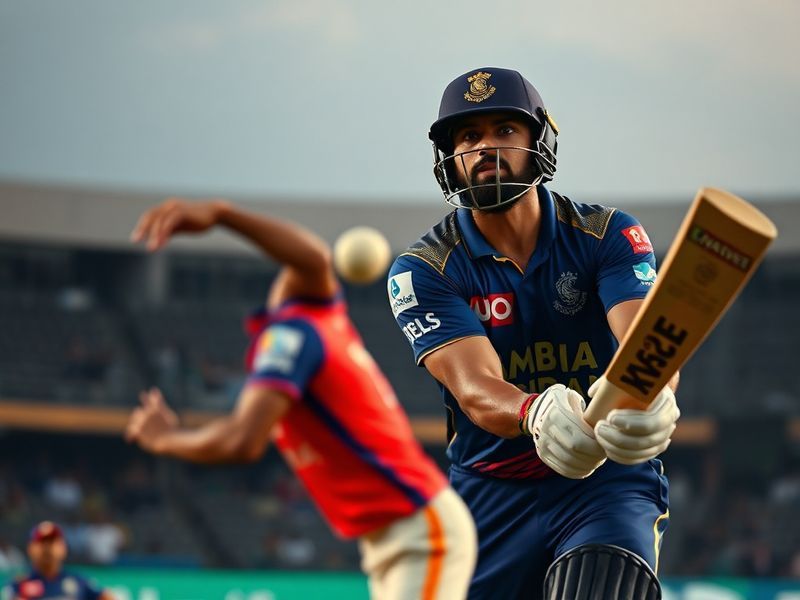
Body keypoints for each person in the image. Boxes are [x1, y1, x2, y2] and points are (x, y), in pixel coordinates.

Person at [387, 67, 681, 599]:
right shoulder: (425, 268)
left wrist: (655, 391)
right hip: (489, 492)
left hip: (602, 479)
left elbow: (642, 339)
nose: (485, 148)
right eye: (469, 136)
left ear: (539, 141)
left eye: (505, 130)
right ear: (449, 158)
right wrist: (535, 412)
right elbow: (475, 388)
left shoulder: (607, 234)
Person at [125, 199, 477, 600]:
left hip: (418, 530)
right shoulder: (318, 320)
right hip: (392, 535)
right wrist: (222, 215)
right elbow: (312, 258)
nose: (290, 271)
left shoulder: (293, 333)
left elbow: (241, 442)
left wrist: (165, 439)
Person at [2, 521, 113, 600]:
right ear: (30, 549)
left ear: (63, 548)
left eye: (52, 542)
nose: (47, 548)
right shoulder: (18, 585)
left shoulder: (79, 582)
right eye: (42, 542)